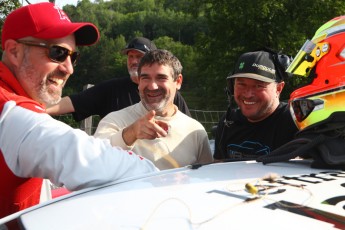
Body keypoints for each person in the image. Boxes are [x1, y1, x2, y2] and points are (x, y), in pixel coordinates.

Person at [0, 2, 158, 220]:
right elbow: (84, 156)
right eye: (57, 53)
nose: (69, 68)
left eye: (72, 56)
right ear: (14, 52)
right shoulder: (11, 112)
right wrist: (165, 183)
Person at [94, 49, 213, 170]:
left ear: (178, 81)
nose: (152, 86)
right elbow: (94, 161)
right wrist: (131, 133)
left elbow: (205, 179)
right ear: (139, 82)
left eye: (161, 78)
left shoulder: (195, 131)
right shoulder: (114, 121)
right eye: (145, 78)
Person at [46, 37, 191, 121]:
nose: (133, 61)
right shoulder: (110, 89)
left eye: (139, 57)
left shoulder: (170, 95)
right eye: (130, 56)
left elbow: (186, 128)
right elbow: (71, 103)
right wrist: (30, 109)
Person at [214, 49, 298, 161]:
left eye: (258, 86)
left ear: (279, 88)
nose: (248, 94)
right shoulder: (228, 122)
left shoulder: (296, 122)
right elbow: (218, 169)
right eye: (241, 84)